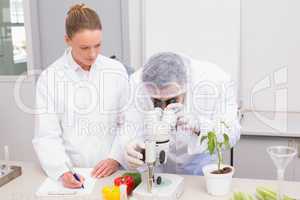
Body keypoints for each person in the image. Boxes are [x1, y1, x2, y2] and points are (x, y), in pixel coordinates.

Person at [32, 4, 128, 188]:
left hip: (113, 172)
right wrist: (62, 171)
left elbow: (128, 122)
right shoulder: (50, 78)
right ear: (67, 40)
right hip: (74, 175)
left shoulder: (116, 71)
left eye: (97, 45)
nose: (92, 54)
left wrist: (116, 158)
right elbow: (46, 135)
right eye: (84, 48)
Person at [120, 52, 240, 175]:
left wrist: (200, 126)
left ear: (186, 86)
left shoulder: (217, 80)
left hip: (200, 167)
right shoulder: (137, 82)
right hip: (159, 168)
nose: (164, 109)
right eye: (156, 101)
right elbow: (130, 128)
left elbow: (231, 135)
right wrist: (131, 146)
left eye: (171, 100)